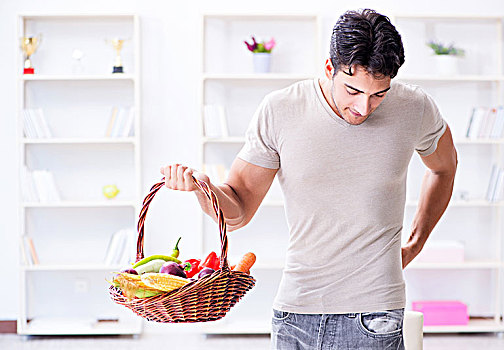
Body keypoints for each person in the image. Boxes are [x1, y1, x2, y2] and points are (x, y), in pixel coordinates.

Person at [161, 8, 457, 350]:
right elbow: (239, 210)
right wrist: (203, 188)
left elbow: (444, 167)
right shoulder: (281, 110)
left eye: (379, 94)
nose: (364, 108)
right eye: (352, 90)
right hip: (296, 314)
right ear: (329, 68)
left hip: (376, 314)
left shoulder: (414, 107)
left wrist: (416, 242)